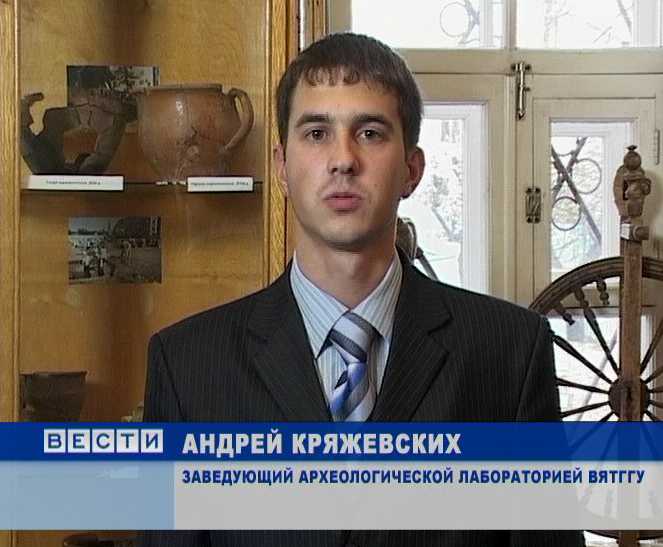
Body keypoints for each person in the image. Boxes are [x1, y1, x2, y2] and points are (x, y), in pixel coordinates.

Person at [140, 33, 585, 547]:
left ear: (412, 170)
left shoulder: (510, 352)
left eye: (370, 133)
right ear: (282, 168)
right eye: (317, 133)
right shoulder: (187, 366)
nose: (343, 159)